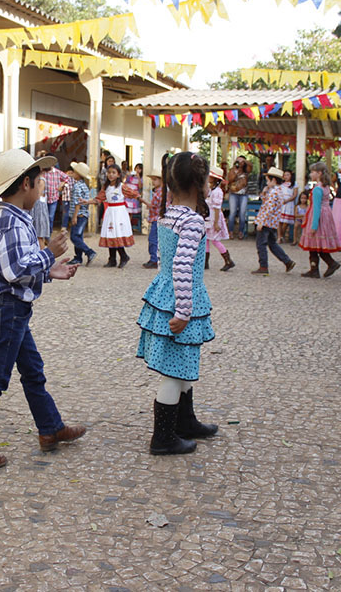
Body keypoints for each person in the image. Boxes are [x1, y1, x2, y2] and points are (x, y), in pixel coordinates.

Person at [0, 149, 85, 469]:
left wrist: (50, 270)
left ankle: (50, 428)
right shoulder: (11, 222)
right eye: (39, 181)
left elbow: (7, 265)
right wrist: (49, 255)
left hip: (11, 308)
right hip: (6, 310)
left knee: (33, 372)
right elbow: (14, 271)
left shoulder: (12, 218)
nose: (42, 187)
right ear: (26, 183)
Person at [136, 152, 217, 456]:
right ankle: (164, 437)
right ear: (199, 183)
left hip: (165, 295)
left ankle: (185, 421)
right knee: (172, 372)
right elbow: (182, 266)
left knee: (181, 365)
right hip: (179, 300)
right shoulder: (192, 221)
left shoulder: (169, 214)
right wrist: (184, 310)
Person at [90, 163, 141, 268]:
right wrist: (86, 202)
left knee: (117, 234)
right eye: (109, 172)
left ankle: (123, 256)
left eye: (113, 173)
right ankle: (112, 259)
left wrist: (147, 203)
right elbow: (98, 199)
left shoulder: (122, 186)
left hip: (119, 212)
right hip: (110, 212)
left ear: (118, 175)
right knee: (110, 233)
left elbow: (134, 194)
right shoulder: (106, 187)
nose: (111, 175)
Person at [298, 162, 341, 278]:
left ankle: (323, 266)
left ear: (319, 173)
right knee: (318, 244)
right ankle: (319, 267)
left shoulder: (318, 189)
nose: (311, 174)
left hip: (318, 217)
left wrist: (313, 225)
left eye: (313, 172)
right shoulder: (326, 187)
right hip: (326, 215)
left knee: (314, 243)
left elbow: (316, 208)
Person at [251, 167, 296, 275]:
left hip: (266, 222)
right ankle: (287, 261)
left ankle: (263, 266)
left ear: (273, 180)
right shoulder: (279, 191)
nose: (266, 182)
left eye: (268, 180)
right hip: (273, 223)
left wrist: (261, 222)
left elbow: (269, 208)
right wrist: (264, 192)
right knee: (272, 244)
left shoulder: (273, 193)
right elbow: (267, 202)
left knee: (261, 244)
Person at [205, 169, 234, 271]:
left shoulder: (217, 192)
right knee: (206, 239)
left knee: (215, 240)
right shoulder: (210, 190)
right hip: (208, 217)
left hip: (214, 217)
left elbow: (217, 208)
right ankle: (205, 262)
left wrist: (216, 223)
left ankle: (228, 260)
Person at [69, 161, 97, 265]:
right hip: (83, 214)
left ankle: (89, 252)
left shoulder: (77, 186)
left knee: (74, 237)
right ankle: (78, 257)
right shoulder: (83, 185)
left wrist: (74, 216)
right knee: (78, 236)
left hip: (79, 214)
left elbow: (78, 202)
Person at [39, 151, 70, 232]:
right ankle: (44, 234)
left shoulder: (57, 172)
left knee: (50, 217)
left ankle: (48, 234)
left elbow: (68, 178)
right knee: (43, 218)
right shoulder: (41, 172)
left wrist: (63, 184)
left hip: (54, 198)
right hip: (43, 199)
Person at [143, 171, 164, 269]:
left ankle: (154, 259)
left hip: (157, 218)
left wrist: (147, 204)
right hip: (160, 218)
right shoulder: (163, 191)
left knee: (153, 239)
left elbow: (154, 205)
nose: (153, 182)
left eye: (155, 179)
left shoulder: (159, 192)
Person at [227, 157, 250, 239]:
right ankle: (231, 232)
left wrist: (244, 160)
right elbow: (230, 180)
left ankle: (241, 232)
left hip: (244, 194)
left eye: (241, 161)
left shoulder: (247, 170)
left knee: (242, 213)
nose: (239, 163)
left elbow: (251, 166)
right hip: (233, 193)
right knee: (232, 213)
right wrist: (235, 170)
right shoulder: (232, 170)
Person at [278, 170, 297, 244]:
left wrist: (287, 200)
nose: (286, 176)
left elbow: (294, 195)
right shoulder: (281, 184)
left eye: (288, 175)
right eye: (285, 175)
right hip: (281, 202)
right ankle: (279, 236)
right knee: (279, 221)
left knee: (285, 221)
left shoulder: (294, 184)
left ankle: (281, 235)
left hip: (289, 203)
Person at [31, 176, 50, 248]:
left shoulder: (41, 180)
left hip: (39, 210)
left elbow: (38, 194)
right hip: (34, 209)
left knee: (39, 236)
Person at [124, 163, 143, 234]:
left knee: (130, 213)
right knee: (126, 211)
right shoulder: (130, 177)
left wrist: (138, 177)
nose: (138, 170)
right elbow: (125, 183)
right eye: (137, 168)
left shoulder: (141, 178)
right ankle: (127, 227)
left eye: (139, 169)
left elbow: (140, 187)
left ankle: (128, 228)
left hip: (134, 197)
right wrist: (127, 176)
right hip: (128, 196)